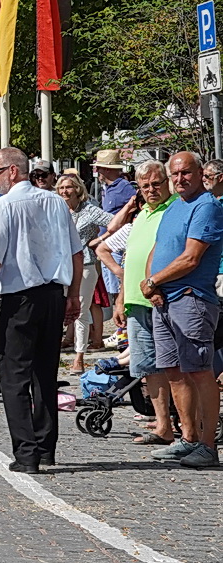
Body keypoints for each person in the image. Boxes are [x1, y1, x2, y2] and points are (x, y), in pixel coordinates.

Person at [0, 147, 84, 474]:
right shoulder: (55, 203)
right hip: (52, 295)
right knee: (45, 374)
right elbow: (76, 253)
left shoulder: (4, 206)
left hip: (19, 299)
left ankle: (27, 454)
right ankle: (46, 447)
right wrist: (73, 294)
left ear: (13, 172)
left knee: (15, 378)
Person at [141, 151, 223, 468]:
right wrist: (152, 284)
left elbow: (191, 257)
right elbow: (158, 249)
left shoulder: (207, 207)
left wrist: (154, 280)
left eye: (185, 173)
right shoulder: (175, 205)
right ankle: (187, 439)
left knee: (200, 371)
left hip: (191, 298)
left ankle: (207, 444)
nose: (179, 179)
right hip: (164, 298)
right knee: (174, 372)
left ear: (201, 173)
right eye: (175, 174)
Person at [105, 162, 175, 447]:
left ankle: (187, 424)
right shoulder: (142, 214)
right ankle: (162, 426)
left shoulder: (173, 211)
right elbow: (128, 257)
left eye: (156, 184)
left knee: (173, 366)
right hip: (136, 300)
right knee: (149, 367)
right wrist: (121, 297)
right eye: (145, 186)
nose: (151, 190)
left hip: (162, 298)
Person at [55, 173, 109, 373]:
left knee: (81, 310)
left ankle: (79, 356)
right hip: (62, 265)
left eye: (68, 187)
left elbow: (113, 222)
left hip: (86, 264)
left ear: (77, 189)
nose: (64, 192)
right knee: (59, 308)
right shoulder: (58, 210)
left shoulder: (89, 210)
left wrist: (101, 240)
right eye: (61, 188)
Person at [93, 149, 135, 214]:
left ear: (107, 169)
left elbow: (136, 207)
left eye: (98, 168)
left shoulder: (125, 187)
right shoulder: (107, 187)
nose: (97, 171)